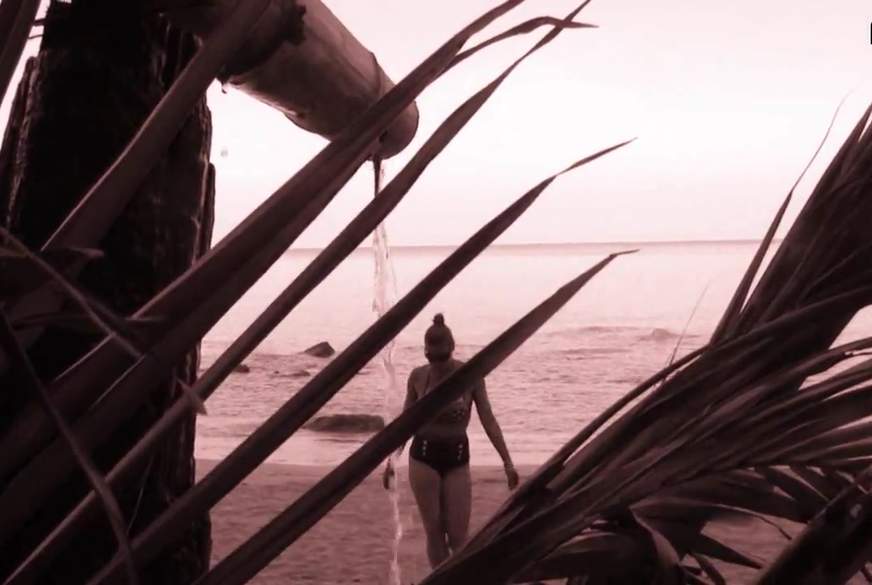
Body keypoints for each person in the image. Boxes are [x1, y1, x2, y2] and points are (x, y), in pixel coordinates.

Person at [382, 313, 519, 569]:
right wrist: (392, 461)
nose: (438, 364)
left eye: (442, 358)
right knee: (434, 533)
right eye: (432, 358)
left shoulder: (471, 375)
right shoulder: (418, 377)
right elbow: (405, 424)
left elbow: (488, 419)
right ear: (426, 353)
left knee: (458, 537)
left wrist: (507, 462)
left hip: (457, 458)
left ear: (452, 348)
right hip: (424, 458)